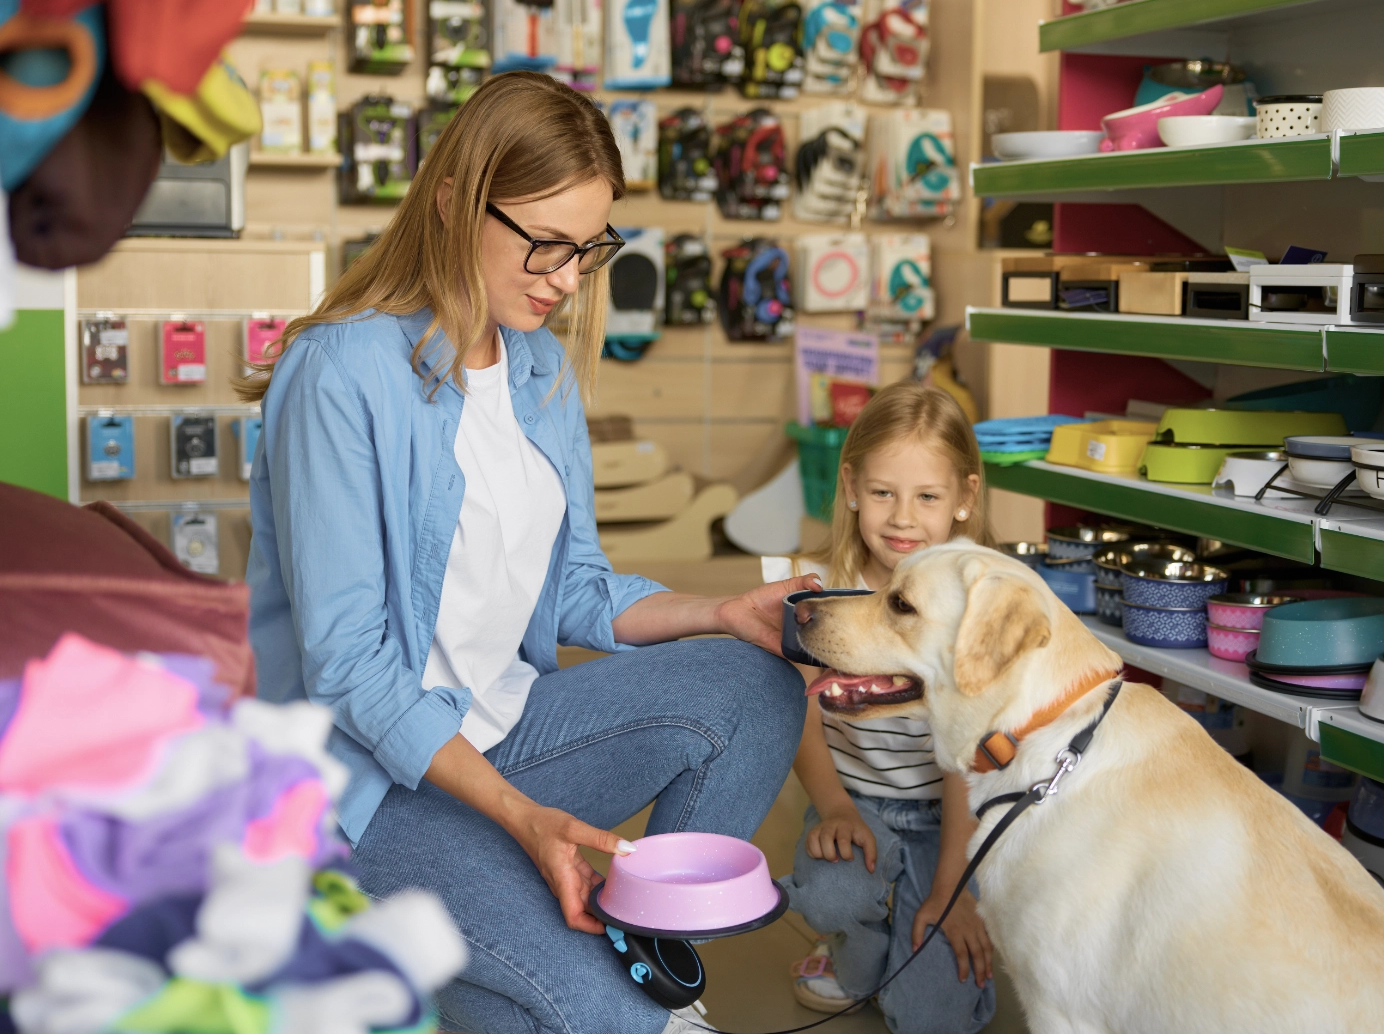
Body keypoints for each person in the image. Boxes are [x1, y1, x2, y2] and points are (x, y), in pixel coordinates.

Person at [243, 72, 816, 1034]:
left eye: (588, 248)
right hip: (364, 792)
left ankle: (635, 948)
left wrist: (718, 613)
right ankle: (583, 984)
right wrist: (522, 819)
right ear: (453, 201)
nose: (566, 277)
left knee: (756, 685)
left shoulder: (540, 365)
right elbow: (348, 667)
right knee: (597, 1012)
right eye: (544, 243)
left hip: (504, 730)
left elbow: (576, 588)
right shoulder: (339, 371)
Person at [762, 381, 998, 1034]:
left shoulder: (972, 603)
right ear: (850, 487)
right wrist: (835, 805)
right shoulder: (816, 592)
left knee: (930, 1018)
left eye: (927, 496)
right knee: (836, 894)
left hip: (952, 819)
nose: (902, 517)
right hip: (857, 799)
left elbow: (966, 753)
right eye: (883, 492)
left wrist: (951, 883)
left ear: (964, 499)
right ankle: (855, 942)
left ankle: (928, 933)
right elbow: (802, 711)